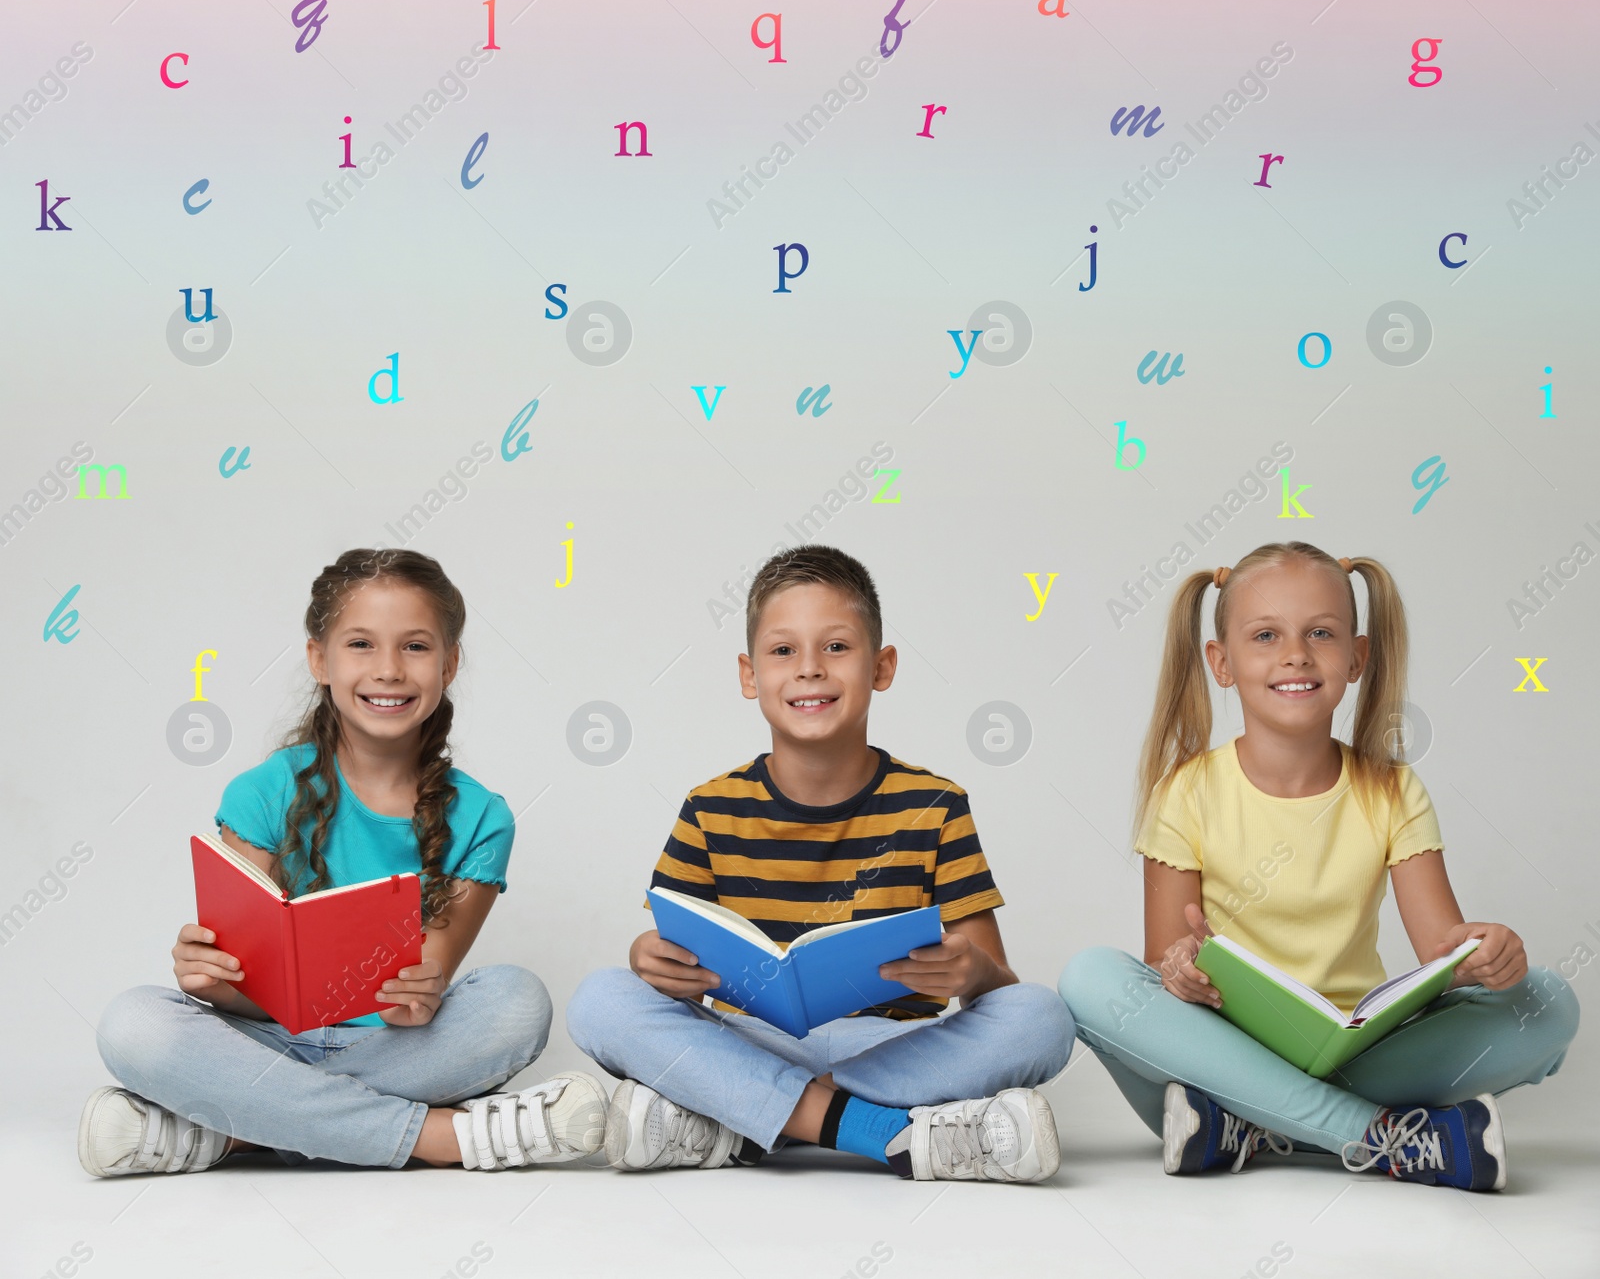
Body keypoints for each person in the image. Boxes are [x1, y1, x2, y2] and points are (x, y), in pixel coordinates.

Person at [1058, 542, 1578, 1191]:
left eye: (1321, 634)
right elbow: (1165, 959)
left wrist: (1487, 958)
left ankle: (1258, 1127)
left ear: (1356, 657)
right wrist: (1180, 970)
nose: (1296, 655)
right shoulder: (1185, 792)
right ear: (1221, 662)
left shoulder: (1393, 792)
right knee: (1090, 979)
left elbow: (1443, 956)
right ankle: (1383, 1139)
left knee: (1550, 1003)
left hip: (1358, 1060)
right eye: (1266, 635)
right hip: (1223, 1062)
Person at [81, 548, 606, 1176]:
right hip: (266, 1039)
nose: (388, 669)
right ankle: (441, 1138)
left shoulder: (483, 817)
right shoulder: (261, 793)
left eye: (415, 646)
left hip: (394, 1045)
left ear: (450, 663)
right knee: (131, 1023)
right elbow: (242, 993)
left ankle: (229, 1134)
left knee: (519, 1001)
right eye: (361, 644)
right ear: (318, 660)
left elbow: (424, 986)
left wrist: (420, 994)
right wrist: (208, 975)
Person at [567, 545, 1074, 1181]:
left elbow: (998, 990)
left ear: (881, 667)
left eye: (836, 647)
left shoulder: (935, 806)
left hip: (891, 1048)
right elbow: (672, 956)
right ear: (750, 676)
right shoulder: (709, 807)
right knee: (600, 999)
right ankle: (873, 1130)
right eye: (784, 652)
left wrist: (970, 971)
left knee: (1042, 1018)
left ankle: (744, 1122)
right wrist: (650, 958)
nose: (809, 670)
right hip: (750, 1041)